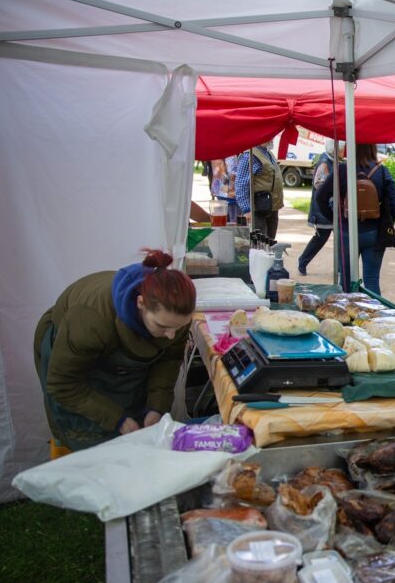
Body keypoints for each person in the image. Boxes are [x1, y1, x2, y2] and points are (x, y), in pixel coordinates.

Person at [34, 249, 196, 451]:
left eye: (178, 328)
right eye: (162, 327)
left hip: (113, 349)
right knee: (85, 435)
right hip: (73, 351)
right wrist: (116, 419)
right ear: (140, 304)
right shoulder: (91, 320)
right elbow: (63, 384)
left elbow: (168, 361)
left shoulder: (174, 318)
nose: (172, 335)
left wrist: (156, 406)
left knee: (135, 426)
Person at [315, 143, 395, 294]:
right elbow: (394, 203)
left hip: (346, 230)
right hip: (374, 232)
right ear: (372, 148)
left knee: (346, 280)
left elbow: (321, 196)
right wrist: (384, 223)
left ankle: (346, 314)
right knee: (372, 280)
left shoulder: (342, 170)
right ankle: (374, 316)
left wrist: (335, 219)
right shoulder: (381, 171)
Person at [298, 142, 342, 276]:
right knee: (321, 237)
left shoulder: (332, 160)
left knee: (340, 237)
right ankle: (303, 261)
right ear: (335, 150)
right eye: (342, 149)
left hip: (331, 207)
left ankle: (341, 268)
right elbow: (320, 186)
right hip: (325, 208)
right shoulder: (324, 163)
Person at [235, 142, 284, 239]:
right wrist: (247, 210)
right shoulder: (250, 155)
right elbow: (241, 184)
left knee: (269, 244)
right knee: (260, 246)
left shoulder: (267, 152)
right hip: (257, 210)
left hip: (271, 208)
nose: (272, 137)